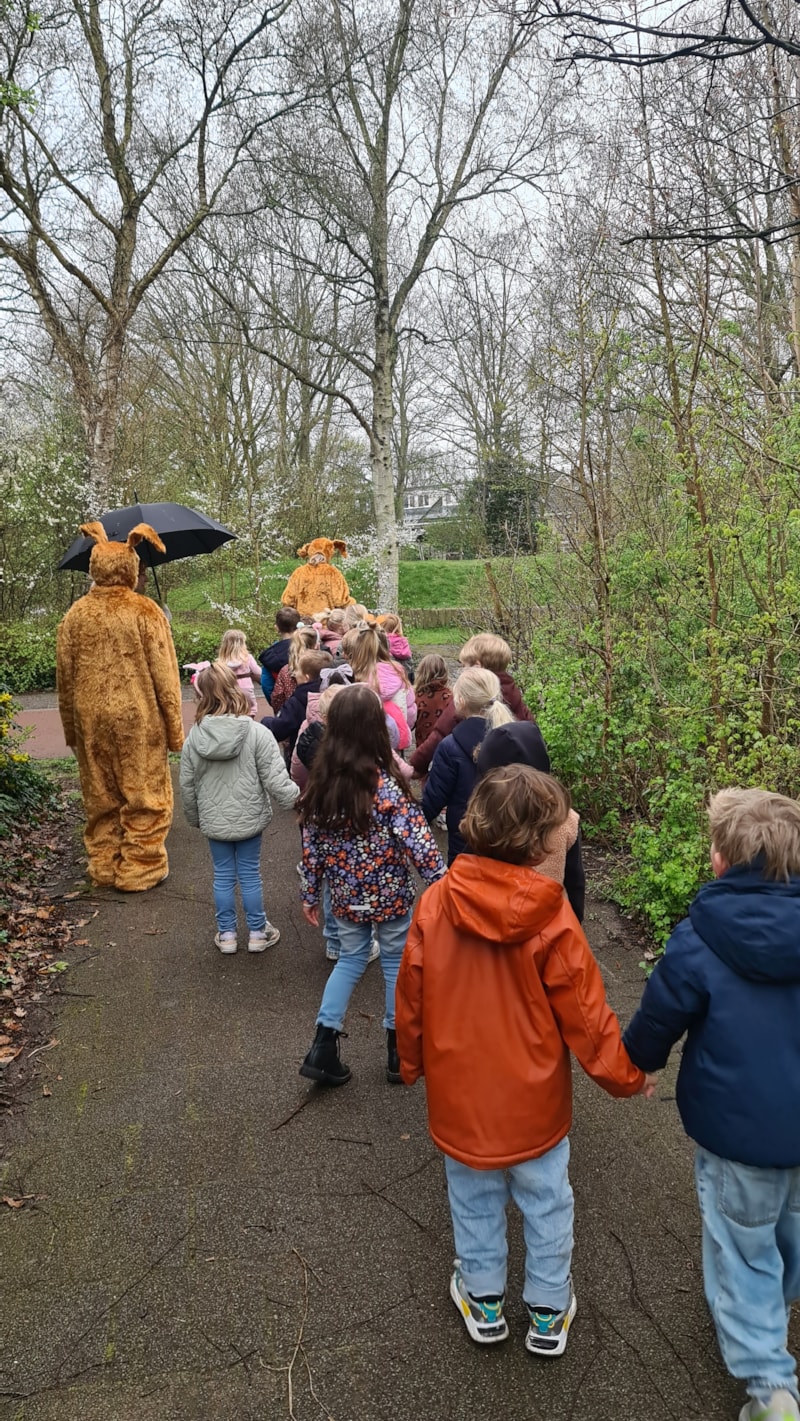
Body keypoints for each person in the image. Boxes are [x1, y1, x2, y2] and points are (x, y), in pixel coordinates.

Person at [396, 765, 652, 1355]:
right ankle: (548, 1309)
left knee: (473, 1200)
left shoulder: (435, 905)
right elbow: (586, 1015)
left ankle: (484, 1300)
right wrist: (626, 1076)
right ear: (541, 844)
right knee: (547, 1200)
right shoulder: (551, 917)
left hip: (460, 1097)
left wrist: (411, 1062)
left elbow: (410, 997)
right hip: (535, 1103)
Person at [623, 788, 800, 1421]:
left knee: (742, 1248)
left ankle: (770, 1385)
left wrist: (638, 1062)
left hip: (737, 1133)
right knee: (789, 1231)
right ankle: (768, 1310)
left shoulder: (701, 934)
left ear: (720, 860)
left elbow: (662, 1011)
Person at [298, 683, 445, 1086]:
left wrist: (310, 894)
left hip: (346, 898)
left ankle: (322, 1045)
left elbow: (311, 848)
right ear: (377, 731)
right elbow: (419, 843)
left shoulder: (320, 788)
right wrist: (442, 883)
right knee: (396, 964)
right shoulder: (387, 789)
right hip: (390, 896)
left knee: (349, 960)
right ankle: (399, 1053)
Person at [56, 522, 184, 891]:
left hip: (90, 719)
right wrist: (174, 730)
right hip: (138, 719)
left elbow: (64, 679)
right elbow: (166, 678)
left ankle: (104, 865)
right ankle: (140, 868)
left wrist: (71, 729)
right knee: (144, 794)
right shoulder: (145, 611)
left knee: (101, 796)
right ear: (130, 566)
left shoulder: (75, 615)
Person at [179, 662, 299, 952]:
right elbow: (276, 778)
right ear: (235, 689)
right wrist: (298, 801)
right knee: (249, 874)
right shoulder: (256, 733)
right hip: (249, 818)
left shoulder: (195, 737)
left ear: (201, 696)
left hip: (214, 820)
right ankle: (257, 933)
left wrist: (195, 817)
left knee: (222, 875)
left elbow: (187, 784)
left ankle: (227, 935)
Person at [476, 722, 586, 923]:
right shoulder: (565, 818)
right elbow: (575, 880)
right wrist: (574, 922)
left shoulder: (486, 817)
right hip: (549, 919)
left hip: (494, 918)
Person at [410, 631, 534, 777]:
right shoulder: (513, 693)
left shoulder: (468, 697)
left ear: (476, 666)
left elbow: (439, 734)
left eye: (464, 666)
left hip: (476, 776)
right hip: (513, 775)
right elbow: (530, 730)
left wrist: (417, 764)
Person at [422, 667, 513, 864]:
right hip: (507, 836)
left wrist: (411, 828)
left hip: (465, 839)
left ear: (461, 702)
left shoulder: (450, 747)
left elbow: (433, 800)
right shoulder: (512, 739)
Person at [261, 648, 333, 758]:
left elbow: (279, 728)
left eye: (298, 670)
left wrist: (266, 722)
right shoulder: (334, 693)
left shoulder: (297, 701)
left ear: (306, 678)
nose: (294, 674)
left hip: (303, 753)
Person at [270, 626, 319, 714]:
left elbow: (277, 696)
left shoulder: (286, 670)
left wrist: (282, 712)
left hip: (292, 714)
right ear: (315, 646)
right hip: (317, 713)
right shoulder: (321, 667)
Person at [258, 607, 301, 701]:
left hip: (284, 703)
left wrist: (276, 703)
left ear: (276, 627)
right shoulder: (310, 646)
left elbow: (266, 684)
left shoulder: (270, 655)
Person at [218, 629, 262, 718]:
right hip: (246, 688)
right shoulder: (247, 657)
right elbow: (258, 672)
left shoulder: (222, 661)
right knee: (249, 710)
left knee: (232, 710)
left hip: (229, 688)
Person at [413, 654, 453, 748]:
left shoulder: (416, 697)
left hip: (423, 747)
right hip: (445, 746)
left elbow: (410, 723)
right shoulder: (451, 697)